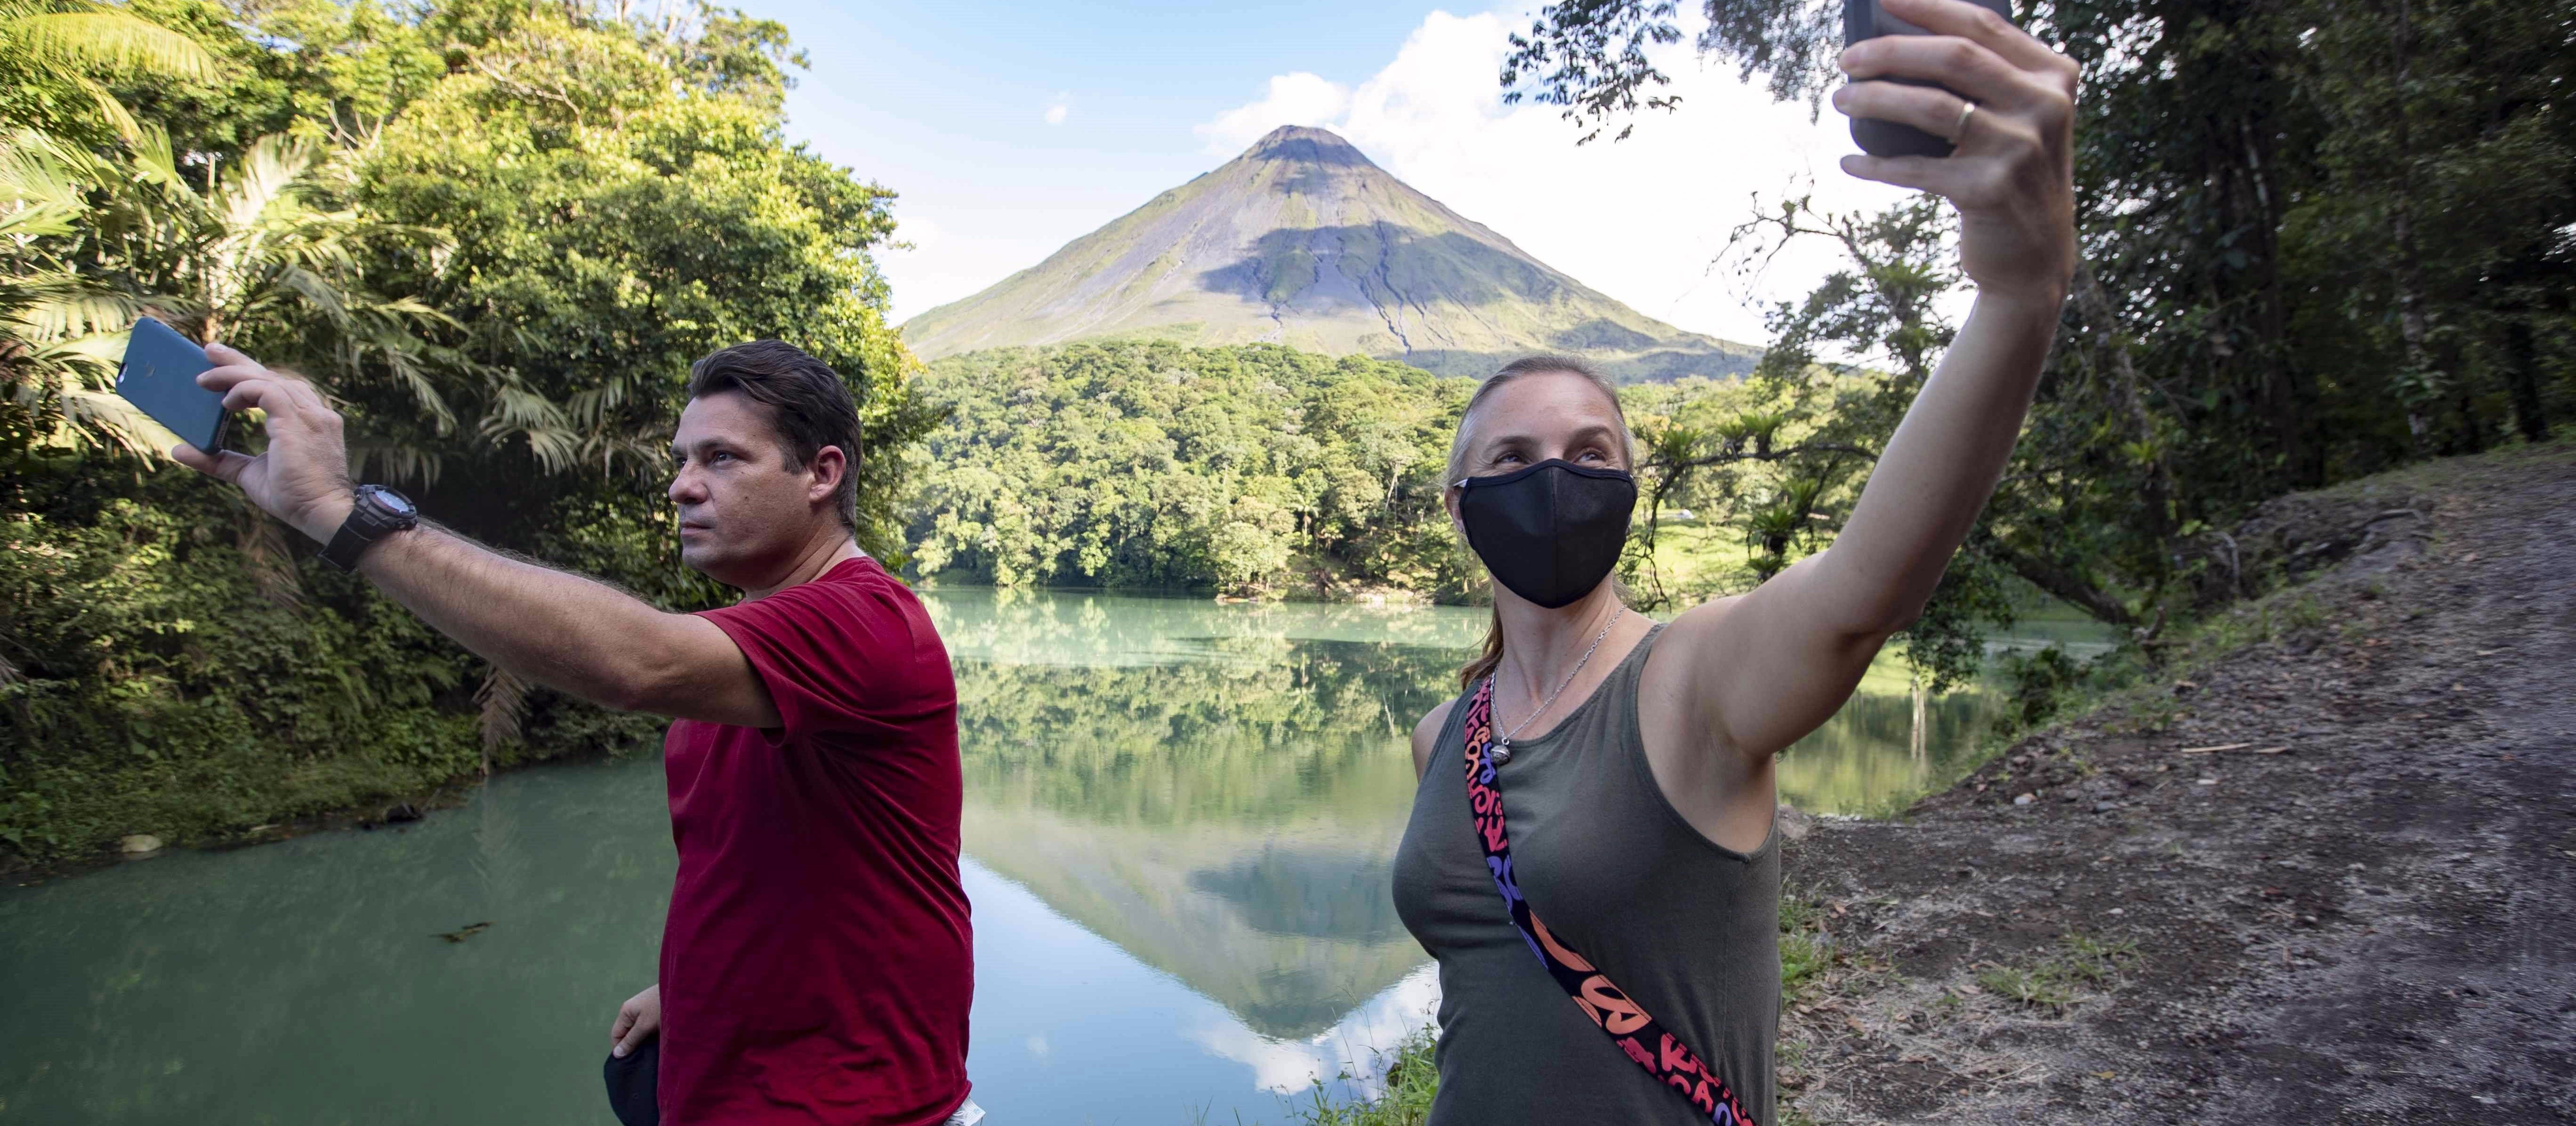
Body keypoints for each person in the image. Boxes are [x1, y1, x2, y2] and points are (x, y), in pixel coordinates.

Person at [1387, 1, 2079, 1123]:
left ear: (1628, 487)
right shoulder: (1441, 736)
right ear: (1462, 508)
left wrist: (2017, 294)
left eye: (1589, 451)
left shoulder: (1693, 681)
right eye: (1514, 457)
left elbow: (1865, 590)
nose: (1553, 475)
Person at [173, 340, 980, 1126]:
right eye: (681, 460)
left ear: (822, 474)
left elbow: (632, 662)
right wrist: (692, 986)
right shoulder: (756, 643)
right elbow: (799, 865)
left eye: (723, 460)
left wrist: (335, 512)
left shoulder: (865, 622)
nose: (682, 487)